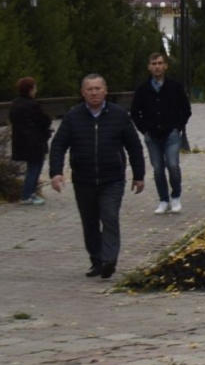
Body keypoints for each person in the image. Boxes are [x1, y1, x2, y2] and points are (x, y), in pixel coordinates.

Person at [49, 74, 145, 279]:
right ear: (83, 92)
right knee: (90, 221)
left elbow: (134, 146)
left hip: (112, 179)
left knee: (109, 216)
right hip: (83, 180)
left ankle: (109, 260)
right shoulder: (73, 116)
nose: (94, 93)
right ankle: (97, 260)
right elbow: (58, 145)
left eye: (98, 89)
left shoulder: (119, 115)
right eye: (90, 89)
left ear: (105, 90)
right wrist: (56, 172)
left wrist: (139, 175)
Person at [130, 52, 192, 214]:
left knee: (173, 165)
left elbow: (185, 109)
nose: (157, 66)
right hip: (152, 135)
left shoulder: (175, 87)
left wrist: (177, 127)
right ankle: (163, 200)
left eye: (159, 63)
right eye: (153, 64)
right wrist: (144, 130)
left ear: (165, 66)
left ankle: (176, 196)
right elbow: (135, 113)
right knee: (158, 169)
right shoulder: (143, 89)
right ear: (149, 67)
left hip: (171, 133)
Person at [10, 77, 52, 205]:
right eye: (34, 88)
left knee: (32, 167)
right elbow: (43, 120)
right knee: (35, 168)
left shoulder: (15, 104)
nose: (36, 90)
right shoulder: (32, 105)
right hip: (34, 141)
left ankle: (30, 193)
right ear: (30, 89)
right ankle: (27, 195)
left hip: (21, 141)